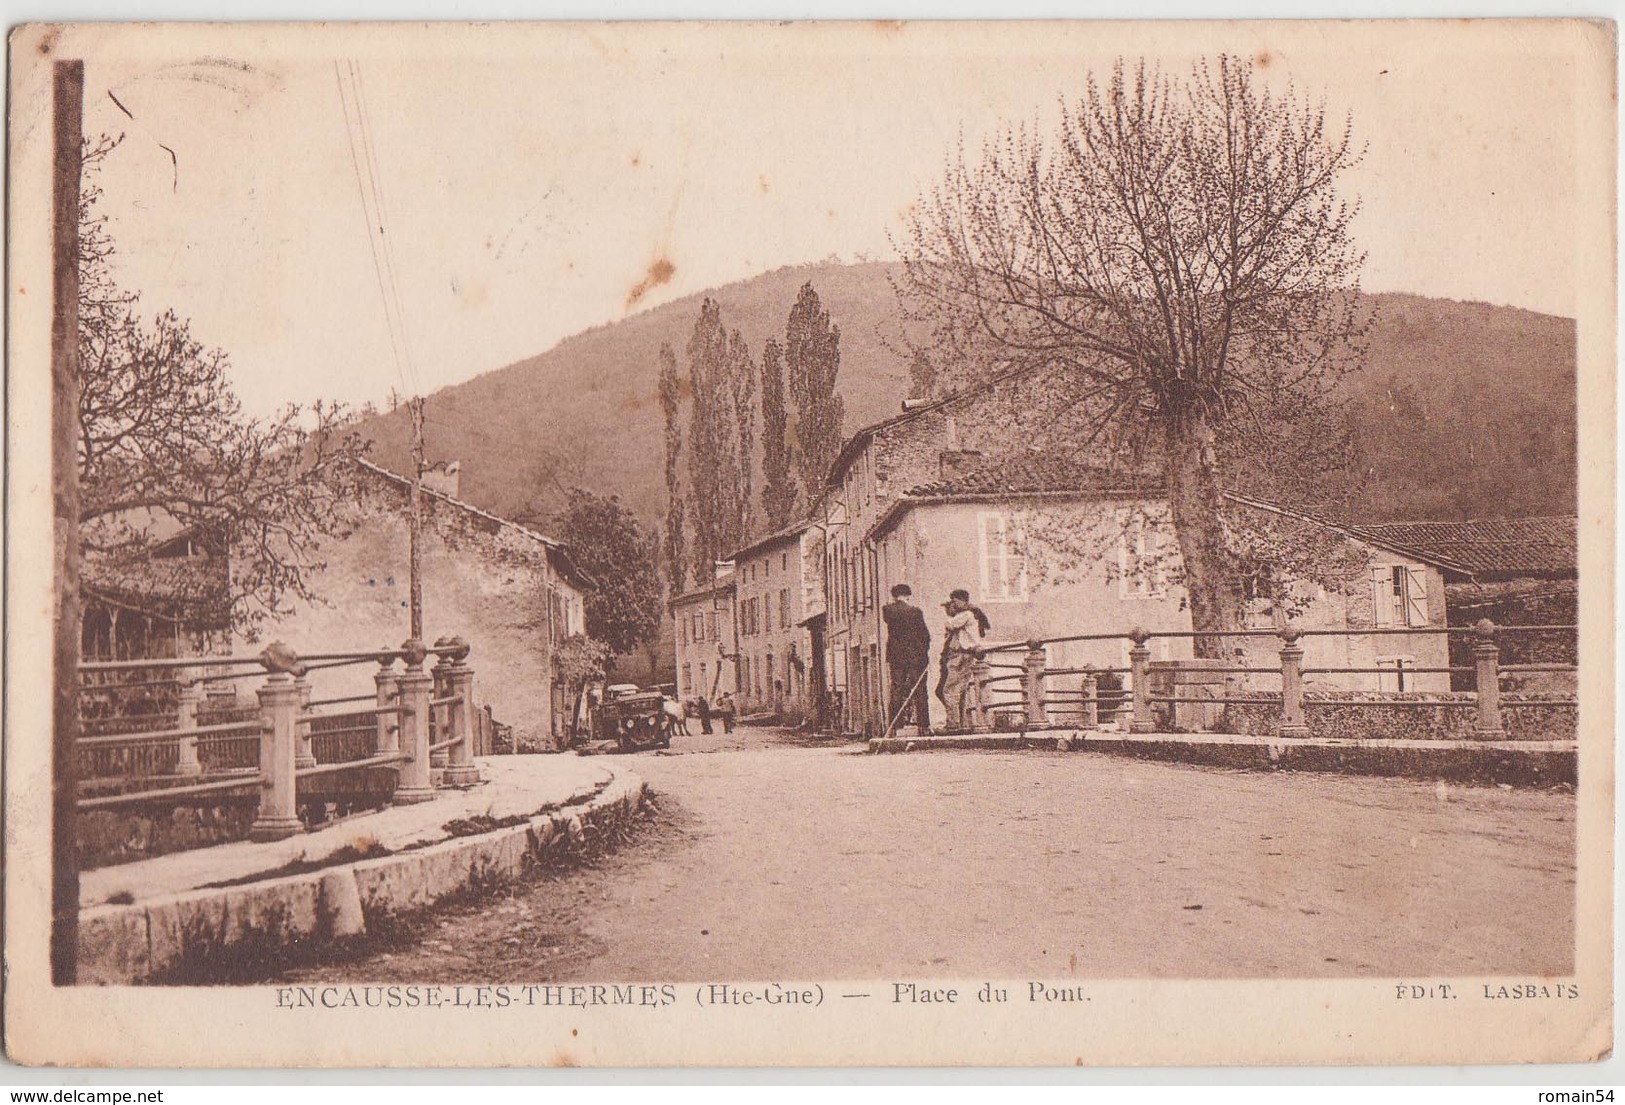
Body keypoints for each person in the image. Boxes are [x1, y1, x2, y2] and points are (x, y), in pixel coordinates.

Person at [882, 583, 932, 733]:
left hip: (896, 657)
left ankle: (894, 728)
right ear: (908, 595)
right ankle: (924, 726)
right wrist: (924, 653)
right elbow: (925, 635)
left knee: (896, 689)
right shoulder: (915, 612)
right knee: (920, 690)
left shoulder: (887, 610)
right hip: (916, 657)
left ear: (894, 595)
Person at [940, 588, 987, 730]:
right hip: (965, 655)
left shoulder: (966, 614)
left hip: (961, 655)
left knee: (949, 690)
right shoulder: (970, 614)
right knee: (960, 689)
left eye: (955, 602)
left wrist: (951, 612)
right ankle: (961, 722)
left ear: (963, 601)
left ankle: (953, 724)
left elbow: (949, 624)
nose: (953, 605)